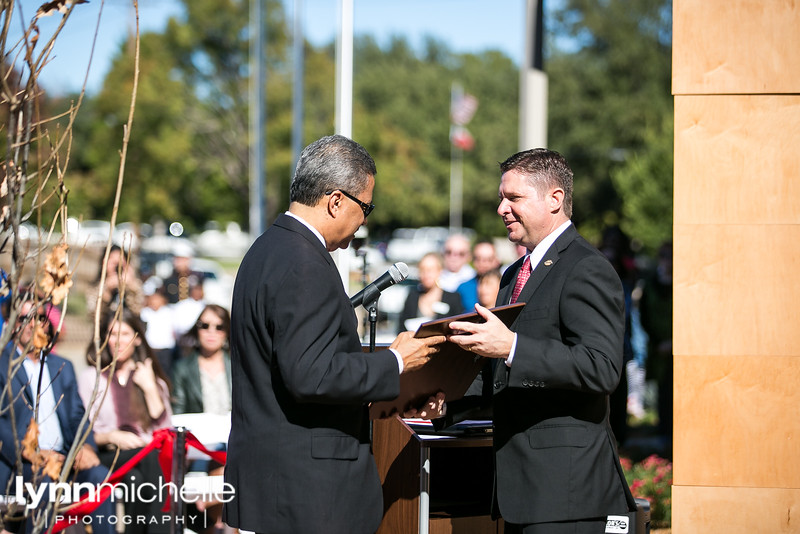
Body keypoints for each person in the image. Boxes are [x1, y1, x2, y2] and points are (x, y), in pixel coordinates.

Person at [222, 134, 445, 534]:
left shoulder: (266, 250)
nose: (365, 222)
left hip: (277, 482)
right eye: (367, 207)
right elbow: (311, 375)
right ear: (336, 200)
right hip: (307, 493)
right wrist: (395, 361)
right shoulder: (304, 262)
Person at [447, 148, 636, 533]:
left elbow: (601, 368)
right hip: (521, 493)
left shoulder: (587, 269)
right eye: (501, 197)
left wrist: (513, 348)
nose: (501, 208)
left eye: (514, 198)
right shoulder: (514, 273)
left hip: (568, 496)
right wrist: (442, 396)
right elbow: (499, 372)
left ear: (555, 199)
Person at [1, 298, 114, 534]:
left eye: (40, 318)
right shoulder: (3, 366)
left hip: (64, 460)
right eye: (25, 319)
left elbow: (77, 417)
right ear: (13, 324)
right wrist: (28, 452)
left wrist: (87, 447)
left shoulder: (61, 366)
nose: (33, 325)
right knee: (42, 485)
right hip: (21, 465)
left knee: (100, 477)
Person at [78, 309, 173, 534]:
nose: (118, 341)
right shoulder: (91, 377)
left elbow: (165, 431)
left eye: (125, 334)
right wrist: (111, 436)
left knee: (137, 479)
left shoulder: (150, 378)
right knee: (150, 458)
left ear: (137, 339)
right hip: (107, 454)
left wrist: (149, 388)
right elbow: (82, 432)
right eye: (112, 334)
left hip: (142, 458)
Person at [639, 240, 673, 449]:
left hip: (682, 347)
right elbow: (644, 315)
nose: (667, 260)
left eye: (670, 256)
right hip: (658, 347)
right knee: (662, 391)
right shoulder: (650, 283)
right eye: (663, 255)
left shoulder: (685, 283)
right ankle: (664, 434)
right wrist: (659, 341)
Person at [398, 252, 464, 332]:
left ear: (440, 271)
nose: (426, 274)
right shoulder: (412, 296)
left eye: (430, 270)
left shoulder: (453, 298)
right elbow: (401, 327)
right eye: (422, 270)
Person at [85, 244, 145, 317]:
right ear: (104, 263)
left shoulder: (134, 285)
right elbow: (94, 315)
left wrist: (131, 287)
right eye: (112, 262)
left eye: (120, 262)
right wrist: (107, 292)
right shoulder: (96, 288)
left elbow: (138, 311)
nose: (116, 266)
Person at [456, 240, 502, 310]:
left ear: (496, 261)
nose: (482, 263)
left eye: (488, 259)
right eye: (478, 259)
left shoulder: (505, 286)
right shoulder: (463, 289)